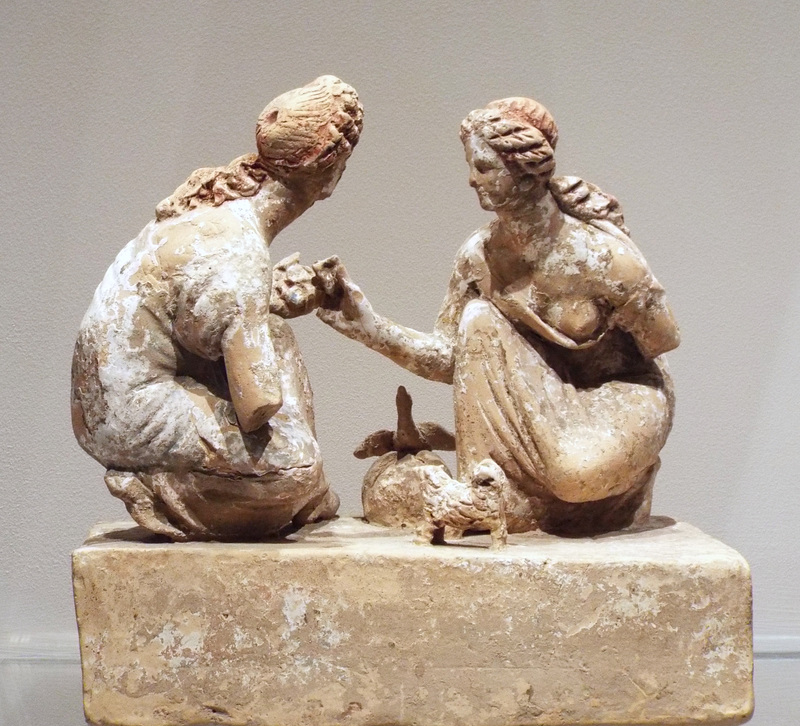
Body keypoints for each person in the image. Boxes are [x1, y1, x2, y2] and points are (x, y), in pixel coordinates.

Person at [317, 96, 679, 536]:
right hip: (542, 402)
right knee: (479, 320)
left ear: (526, 169)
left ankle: (621, 487)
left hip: (616, 398)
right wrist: (369, 328)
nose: (471, 180)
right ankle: (493, 488)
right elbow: (451, 359)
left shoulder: (601, 256)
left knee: (574, 474)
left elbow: (661, 341)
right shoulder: (479, 256)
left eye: (484, 167)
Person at [71, 76, 363, 540]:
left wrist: (269, 305)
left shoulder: (215, 209)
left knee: (272, 330)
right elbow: (257, 408)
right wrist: (259, 323)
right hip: (125, 414)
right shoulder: (240, 252)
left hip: (101, 398)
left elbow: (187, 309)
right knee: (298, 465)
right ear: (331, 174)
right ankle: (164, 488)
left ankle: (293, 493)